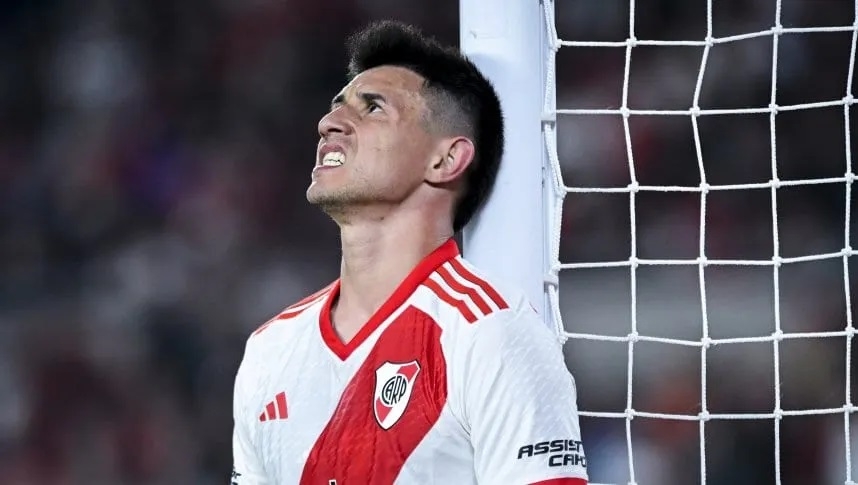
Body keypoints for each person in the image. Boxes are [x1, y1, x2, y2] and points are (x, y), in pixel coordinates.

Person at [231, 20, 589, 485]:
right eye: (337, 107)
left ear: (445, 160)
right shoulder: (269, 350)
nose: (328, 123)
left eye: (373, 108)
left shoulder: (489, 334)